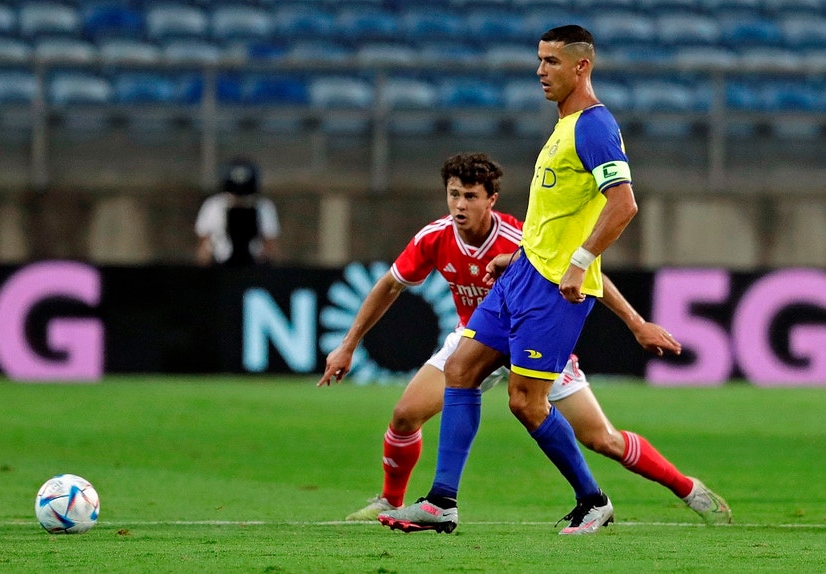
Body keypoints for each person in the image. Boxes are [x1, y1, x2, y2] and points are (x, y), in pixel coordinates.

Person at [319, 153, 731, 529]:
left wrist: (637, 322)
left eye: (470, 196)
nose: (459, 205)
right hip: (476, 340)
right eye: (453, 195)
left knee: (601, 439)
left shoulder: (520, 238)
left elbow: (591, 275)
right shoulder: (435, 237)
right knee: (405, 414)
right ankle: (392, 500)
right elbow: (390, 285)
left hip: (533, 342)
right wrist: (349, 344)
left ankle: (686, 489)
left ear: (491, 199)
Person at [375, 25, 639, 536]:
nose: (541, 71)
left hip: (555, 291)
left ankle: (593, 500)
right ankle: (441, 502)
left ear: (582, 66)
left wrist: (582, 260)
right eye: (539, 60)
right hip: (521, 276)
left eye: (552, 62)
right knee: (460, 369)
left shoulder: (593, 126)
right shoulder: (563, 126)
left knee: (525, 402)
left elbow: (623, 204)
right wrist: (518, 259)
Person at [195, 158, 281, 267]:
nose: (240, 201)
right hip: (220, 267)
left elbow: (270, 246)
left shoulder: (264, 207)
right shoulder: (213, 206)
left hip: (254, 266)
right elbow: (203, 247)